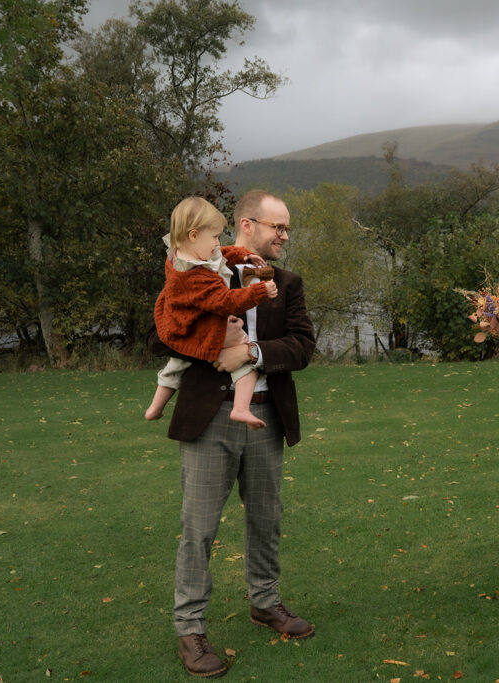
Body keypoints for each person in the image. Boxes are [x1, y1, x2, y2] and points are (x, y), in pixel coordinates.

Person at [148, 190, 316, 678]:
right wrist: (206, 348)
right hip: (209, 419)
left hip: (265, 418)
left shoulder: (286, 282)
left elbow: (303, 346)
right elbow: (167, 327)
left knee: (266, 519)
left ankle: (266, 603)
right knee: (198, 530)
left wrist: (251, 353)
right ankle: (190, 628)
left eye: (286, 228)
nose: (284, 235)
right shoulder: (193, 272)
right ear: (247, 225)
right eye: (277, 227)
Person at [146, 196, 278, 429]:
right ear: (194, 235)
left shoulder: (182, 256)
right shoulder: (197, 276)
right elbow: (226, 301)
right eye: (215, 237)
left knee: (174, 367)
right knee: (247, 368)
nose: (218, 243)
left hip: (178, 321)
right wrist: (260, 291)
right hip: (200, 333)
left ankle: (155, 408)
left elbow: (220, 255)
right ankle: (241, 409)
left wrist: (242, 254)